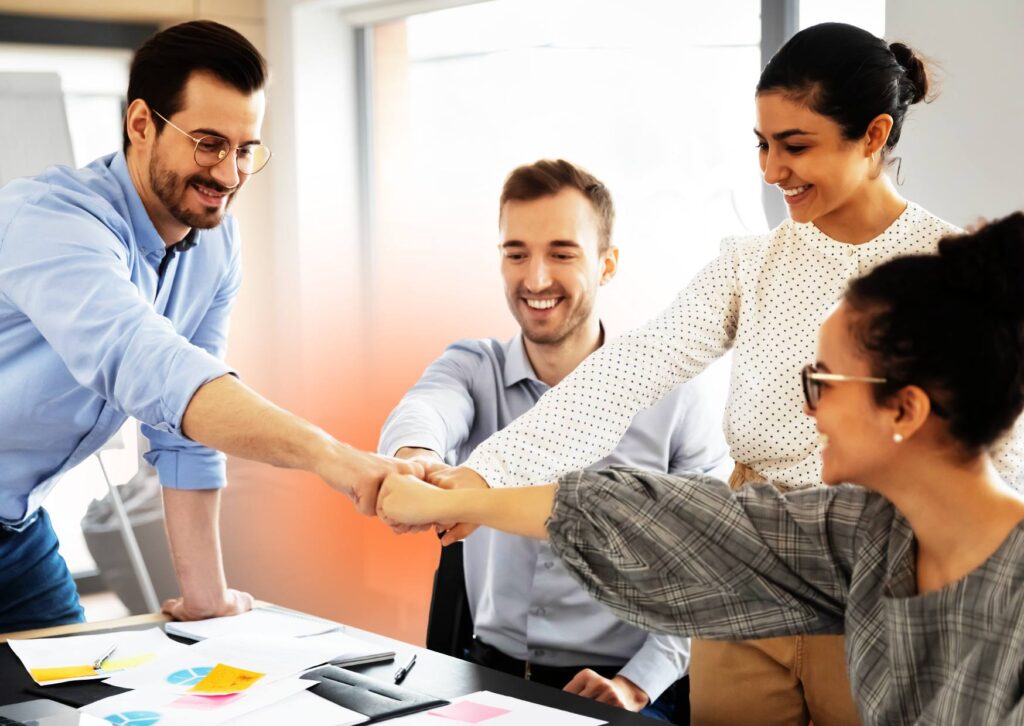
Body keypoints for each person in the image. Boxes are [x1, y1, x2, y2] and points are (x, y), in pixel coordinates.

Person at [421, 22, 1024, 726]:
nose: (771, 170)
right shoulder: (753, 265)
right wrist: (485, 474)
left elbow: (998, 461)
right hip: (741, 577)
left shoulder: (943, 273)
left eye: (795, 146)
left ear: (872, 135)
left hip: (872, 576)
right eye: (762, 145)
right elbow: (628, 370)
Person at [378, 212, 1024, 725]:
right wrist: (457, 494)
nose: (806, 407)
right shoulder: (864, 536)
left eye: (821, 380)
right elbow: (664, 520)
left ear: (904, 408)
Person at [0, 21, 421, 633]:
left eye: (245, 149)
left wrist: (206, 599)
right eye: (207, 143)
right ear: (141, 124)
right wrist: (333, 458)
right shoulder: (50, 221)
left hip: (16, 525)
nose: (229, 174)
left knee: (78, 699)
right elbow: (145, 364)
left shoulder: (215, 247)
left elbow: (185, 429)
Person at [378, 159, 729, 722]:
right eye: (516, 253)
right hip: (485, 677)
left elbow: (709, 570)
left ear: (607, 264)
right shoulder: (473, 367)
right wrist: (416, 463)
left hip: (622, 688)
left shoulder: (675, 396)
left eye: (562, 253)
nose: (535, 278)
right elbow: (424, 411)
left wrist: (637, 686)